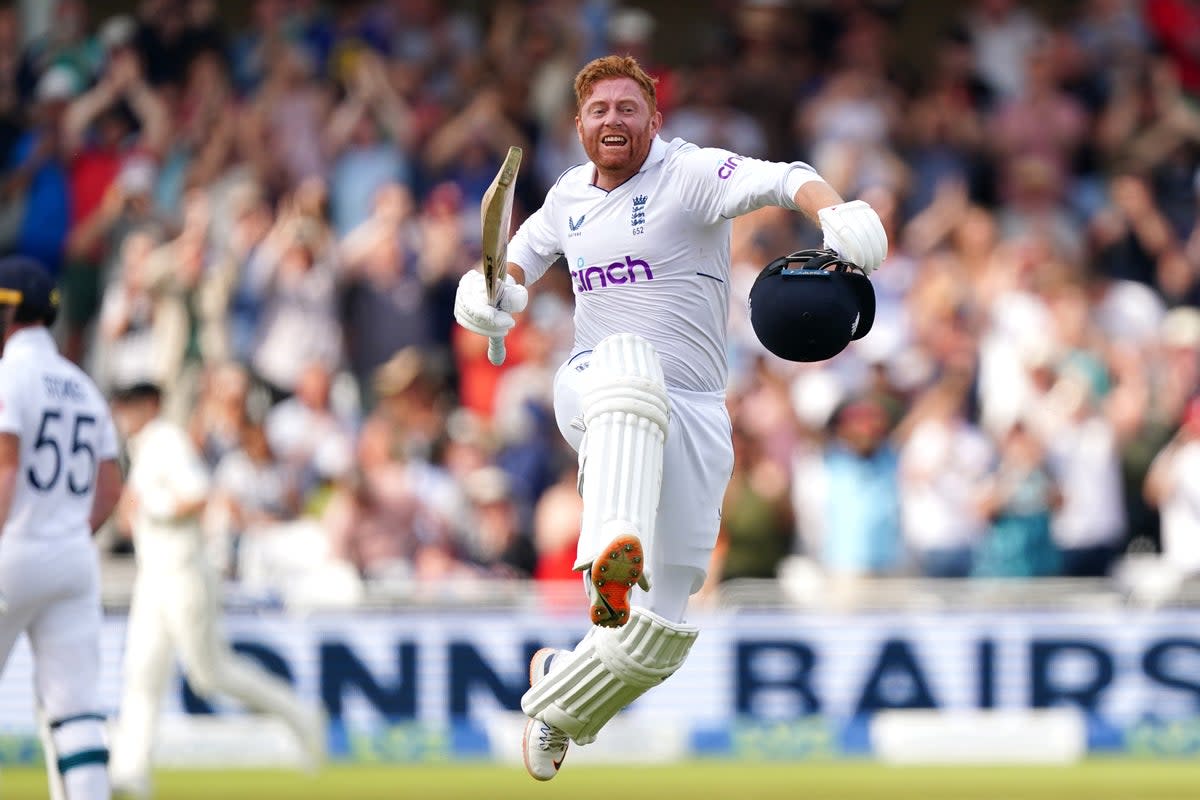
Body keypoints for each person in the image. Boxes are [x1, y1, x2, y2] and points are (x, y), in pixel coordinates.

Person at [453, 54, 887, 781]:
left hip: (695, 411)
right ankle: (609, 557)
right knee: (629, 365)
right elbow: (512, 263)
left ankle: (558, 695)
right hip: (597, 385)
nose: (613, 121)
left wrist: (837, 211)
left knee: (654, 638)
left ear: (654, 120)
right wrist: (482, 293)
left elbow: (784, 177)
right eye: (599, 111)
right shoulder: (565, 198)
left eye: (628, 109)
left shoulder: (688, 173)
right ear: (580, 125)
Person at [106, 382, 325, 799]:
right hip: (154, 576)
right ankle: (129, 771)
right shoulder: (143, 445)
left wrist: (150, 507)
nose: (123, 414)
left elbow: (197, 494)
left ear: (151, 405)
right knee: (142, 672)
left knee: (212, 674)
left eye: (129, 406)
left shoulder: (165, 439)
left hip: (183, 573)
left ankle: (301, 716)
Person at [0, 256, 124, 800]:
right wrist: (70, 531)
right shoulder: (84, 386)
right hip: (73, 556)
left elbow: (4, 466)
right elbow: (112, 485)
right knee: (75, 709)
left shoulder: (9, 376)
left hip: (14, 548)